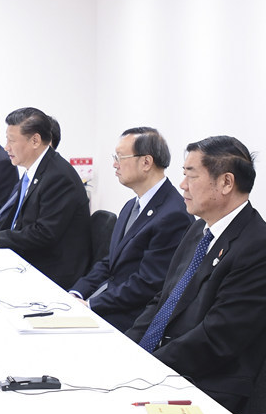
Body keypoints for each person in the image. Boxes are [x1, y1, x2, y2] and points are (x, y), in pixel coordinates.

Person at [126, 136, 266, 414]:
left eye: (191, 176)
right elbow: (164, 299)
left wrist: (148, 366)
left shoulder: (259, 246)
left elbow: (217, 338)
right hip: (168, 365)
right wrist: (128, 348)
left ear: (226, 183)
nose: (182, 185)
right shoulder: (199, 229)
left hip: (209, 384)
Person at [69, 128, 192, 332]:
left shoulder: (173, 214)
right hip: (108, 301)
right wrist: (76, 293)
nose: (115, 164)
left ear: (146, 162)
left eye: (120, 157)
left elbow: (148, 284)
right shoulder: (131, 206)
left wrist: (91, 305)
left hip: (131, 318)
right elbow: (111, 261)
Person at [0, 107, 91, 288]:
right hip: (30, 256)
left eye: (11, 140)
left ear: (35, 140)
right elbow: (17, 218)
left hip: (50, 270)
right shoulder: (35, 169)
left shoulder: (58, 176)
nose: (6, 147)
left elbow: (44, 233)